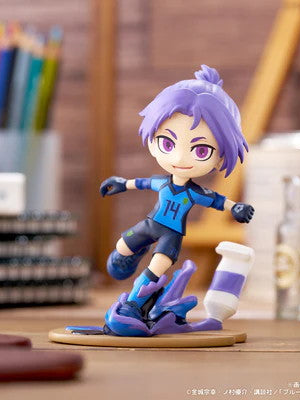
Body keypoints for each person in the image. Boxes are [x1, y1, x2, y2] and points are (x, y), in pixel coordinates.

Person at [100, 65, 254, 335]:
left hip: (171, 236)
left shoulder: (194, 193)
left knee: (157, 268)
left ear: (220, 156)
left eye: (201, 150)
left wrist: (236, 207)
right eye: (168, 144)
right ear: (153, 141)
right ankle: (130, 257)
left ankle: (133, 304)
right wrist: (122, 184)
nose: (180, 158)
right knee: (122, 247)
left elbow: (218, 200)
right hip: (150, 224)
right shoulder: (162, 183)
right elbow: (141, 183)